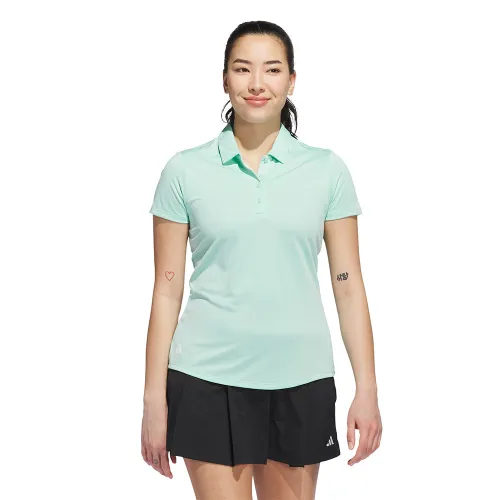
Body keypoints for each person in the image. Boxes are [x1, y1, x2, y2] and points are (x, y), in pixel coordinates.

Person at [141, 20, 382, 500]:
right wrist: (153, 400)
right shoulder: (184, 171)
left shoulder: (327, 171)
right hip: (207, 377)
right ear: (224, 79)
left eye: (271, 70)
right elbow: (167, 290)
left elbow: (348, 284)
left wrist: (368, 388)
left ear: (291, 81)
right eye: (242, 69)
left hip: (302, 377)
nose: (256, 83)